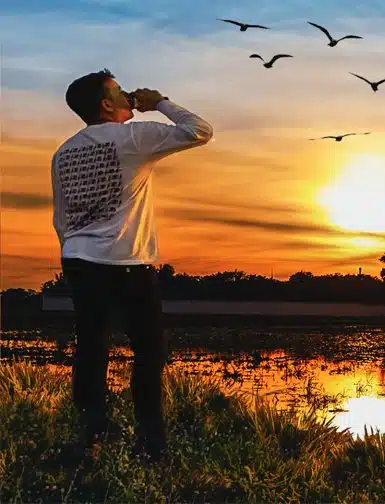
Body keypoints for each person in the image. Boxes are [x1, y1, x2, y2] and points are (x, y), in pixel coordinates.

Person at [51, 68, 213, 461]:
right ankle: (151, 445)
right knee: (149, 352)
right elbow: (200, 130)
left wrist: (74, 250)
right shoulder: (133, 137)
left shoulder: (64, 152)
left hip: (77, 260)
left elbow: (61, 216)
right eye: (120, 92)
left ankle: (90, 435)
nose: (128, 95)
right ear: (107, 105)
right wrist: (158, 101)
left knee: (90, 349)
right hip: (125, 262)